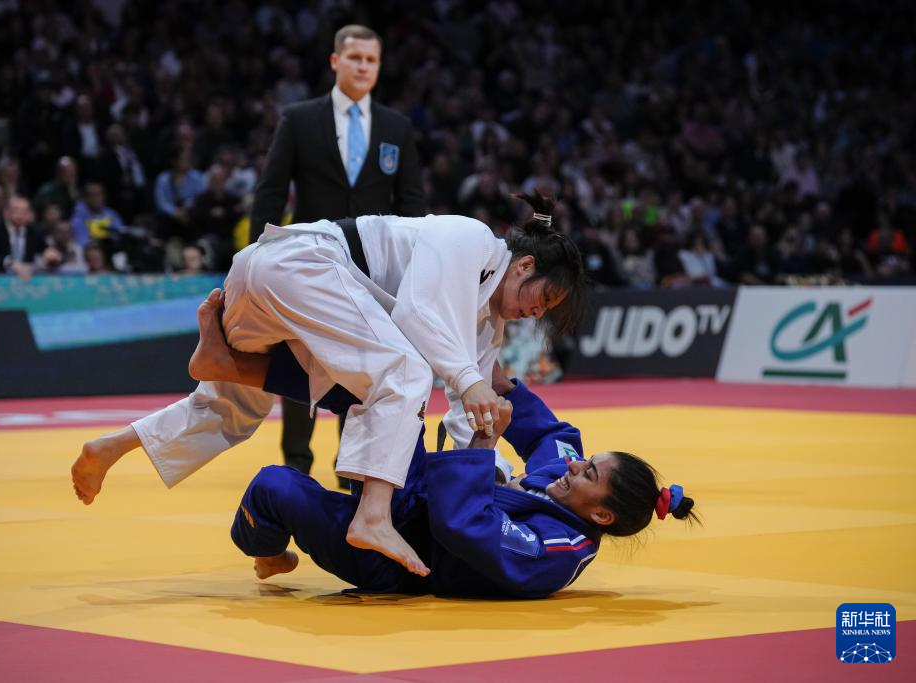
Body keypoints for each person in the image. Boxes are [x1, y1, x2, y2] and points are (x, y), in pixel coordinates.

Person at [71, 192, 585, 577]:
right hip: (301, 265)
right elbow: (417, 314)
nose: (535, 313)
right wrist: (471, 380)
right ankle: (373, 516)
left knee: (234, 412)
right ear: (524, 265)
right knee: (403, 372)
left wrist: (491, 477)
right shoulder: (470, 240)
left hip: (271, 294)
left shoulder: (485, 330)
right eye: (542, 298)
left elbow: (463, 412)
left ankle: (114, 445)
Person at [233, 351, 697, 599]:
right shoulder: (566, 483)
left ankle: (267, 552)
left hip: (399, 562)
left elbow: (464, 524)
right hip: (412, 496)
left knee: (272, 486)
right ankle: (239, 367)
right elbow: (551, 435)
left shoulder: (557, 552)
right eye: (587, 459)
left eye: (589, 472)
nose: (576, 465)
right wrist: (493, 376)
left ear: (601, 515)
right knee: (386, 390)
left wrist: (485, 443)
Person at [249, 24, 426, 484]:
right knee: (298, 359)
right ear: (335, 61)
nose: (363, 67)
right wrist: (255, 255)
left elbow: (411, 204)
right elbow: (271, 191)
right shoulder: (299, 119)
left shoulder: (397, 127)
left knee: (363, 367)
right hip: (308, 260)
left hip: (371, 267)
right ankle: (296, 466)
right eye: (355, 58)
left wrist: (414, 268)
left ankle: (353, 467)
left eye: (371, 60)